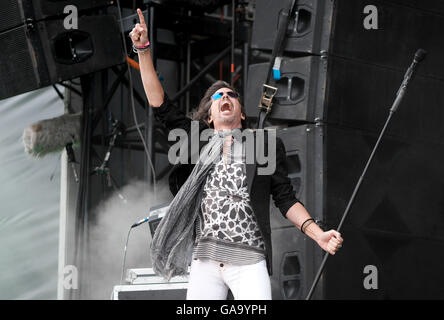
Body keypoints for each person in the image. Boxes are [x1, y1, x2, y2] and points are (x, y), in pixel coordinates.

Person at [130, 8, 343, 300]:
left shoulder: (264, 146)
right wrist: (142, 50)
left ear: (242, 114)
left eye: (232, 95)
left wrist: (317, 234)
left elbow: (285, 198)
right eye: (218, 96)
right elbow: (161, 105)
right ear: (209, 117)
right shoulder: (196, 141)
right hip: (205, 260)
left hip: (249, 258)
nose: (226, 98)